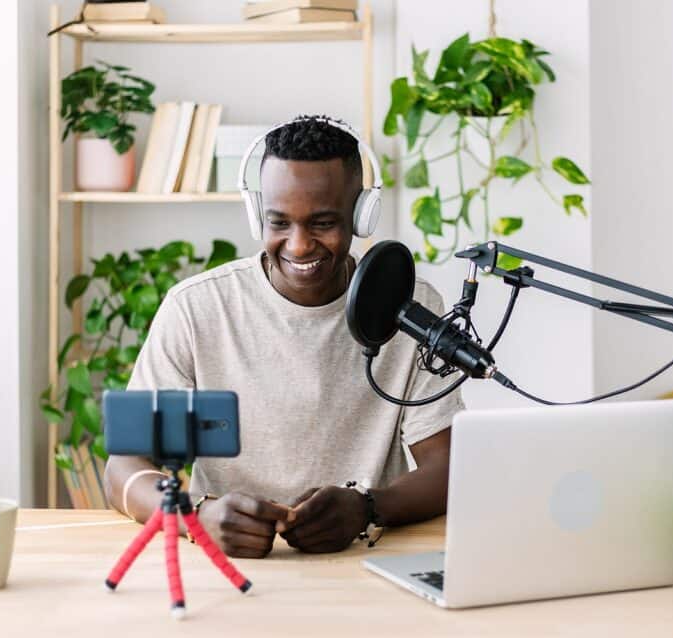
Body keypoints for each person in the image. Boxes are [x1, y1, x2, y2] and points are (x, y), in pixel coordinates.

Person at [104, 115, 463, 558]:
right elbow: (122, 467)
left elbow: (449, 465)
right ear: (257, 216)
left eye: (322, 223)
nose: (297, 246)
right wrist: (195, 516)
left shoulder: (407, 306)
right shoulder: (196, 308)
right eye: (279, 223)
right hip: (228, 566)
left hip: (362, 560)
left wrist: (368, 507)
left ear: (361, 216)